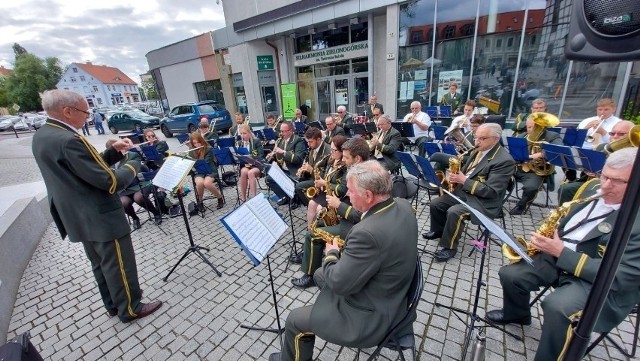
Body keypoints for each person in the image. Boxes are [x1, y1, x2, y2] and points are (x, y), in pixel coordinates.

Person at [486, 147, 639, 361]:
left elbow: (623, 277)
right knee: (510, 275)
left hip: (598, 280)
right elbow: (567, 221)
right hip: (559, 255)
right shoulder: (591, 186)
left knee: (558, 307)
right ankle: (518, 315)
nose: (605, 185)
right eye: (605, 175)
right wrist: (546, 238)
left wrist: (562, 252)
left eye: (617, 181)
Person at [32, 89, 162, 323]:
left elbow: (82, 168)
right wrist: (132, 161)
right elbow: (109, 181)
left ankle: (113, 304)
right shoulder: (68, 140)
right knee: (119, 264)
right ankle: (130, 308)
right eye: (85, 111)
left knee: (101, 264)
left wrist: (113, 152)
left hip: (78, 216)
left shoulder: (44, 135)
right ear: (67, 111)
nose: (88, 116)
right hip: (100, 215)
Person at [270, 160, 418, 361]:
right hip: (395, 293)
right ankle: (329, 309)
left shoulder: (367, 234)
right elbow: (369, 226)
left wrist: (331, 253)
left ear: (368, 195)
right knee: (321, 275)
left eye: (350, 191)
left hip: (374, 315)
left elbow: (340, 283)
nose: (347, 195)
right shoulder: (402, 204)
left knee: (295, 319)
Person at [422, 123, 515, 262]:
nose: (477, 142)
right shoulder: (480, 150)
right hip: (466, 192)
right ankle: (439, 230)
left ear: (496, 139)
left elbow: (491, 191)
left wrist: (464, 180)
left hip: (484, 202)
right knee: (436, 203)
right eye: (476, 137)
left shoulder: (504, 161)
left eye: (482, 138)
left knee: (454, 212)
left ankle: (449, 248)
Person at [290, 137, 369, 288]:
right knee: (318, 222)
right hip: (348, 218)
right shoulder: (360, 171)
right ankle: (310, 257)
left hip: (355, 228)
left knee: (312, 235)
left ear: (357, 158)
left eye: (346, 157)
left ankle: (310, 276)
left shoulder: (364, 179)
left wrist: (338, 205)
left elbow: (362, 216)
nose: (344, 161)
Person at [557, 120, 635, 205]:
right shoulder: (601, 147)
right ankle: (566, 215)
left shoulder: (634, 153)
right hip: (592, 181)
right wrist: (587, 168)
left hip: (617, 186)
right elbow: (586, 168)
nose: (615, 136)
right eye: (612, 133)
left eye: (621, 134)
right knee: (565, 189)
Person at [509, 116, 564, 215]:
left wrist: (542, 154)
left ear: (542, 127)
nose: (528, 130)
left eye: (531, 127)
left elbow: (558, 149)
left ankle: (522, 205)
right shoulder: (522, 136)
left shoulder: (552, 136)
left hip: (535, 172)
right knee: (498, 176)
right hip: (518, 167)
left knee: (531, 187)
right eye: (527, 127)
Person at [105, 139, 163, 229]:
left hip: (139, 185)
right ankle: (135, 218)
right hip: (123, 189)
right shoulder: (108, 162)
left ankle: (156, 213)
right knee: (123, 202)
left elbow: (141, 169)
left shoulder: (131, 155)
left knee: (138, 197)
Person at [304, 135, 347, 229]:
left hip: (335, 195)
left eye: (334, 150)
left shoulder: (344, 166)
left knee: (319, 208)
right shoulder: (330, 159)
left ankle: (321, 229)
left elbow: (342, 189)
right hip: (326, 191)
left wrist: (324, 183)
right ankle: (309, 229)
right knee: (311, 203)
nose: (331, 152)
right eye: (331, 149)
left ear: (342, 151)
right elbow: (322, 171)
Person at [265, 121, 306, 205]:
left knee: (291, 182)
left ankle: (295, 198)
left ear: (291, 130)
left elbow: (298, 159)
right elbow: (277, 157)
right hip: (282, 169)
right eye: (281, 131)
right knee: (268, 179)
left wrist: (283, 152)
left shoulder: (298, 140)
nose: (281, 133)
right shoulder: (280, 141)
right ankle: (285, 196)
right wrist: (272, 156)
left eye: (283, 131)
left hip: (293, 170)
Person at [294, 127, 331, 209]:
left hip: (321, 181)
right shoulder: (312, 148)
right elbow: (310, 164)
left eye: (310, 142)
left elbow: (327, 175)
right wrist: (303, 170)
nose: (308, 144)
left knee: (299, 186)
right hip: (312, 178)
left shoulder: (328, 151)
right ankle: (311, 206)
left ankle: (311, 207)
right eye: (307, 142)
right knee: (295, 181)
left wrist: (311, 170)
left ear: (318, 140)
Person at [189, 132, 225, 211]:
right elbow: (191, 164)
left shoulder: (208, 149)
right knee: (199, 183)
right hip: (199, 172)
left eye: (198, 142)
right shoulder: (191, 151)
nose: (197, 145)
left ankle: (219, 198)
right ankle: (200, 202)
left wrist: (200, 152)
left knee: (207, 183)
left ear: (201, 141)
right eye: (194, 143)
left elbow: (206, 162)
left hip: (210, 170)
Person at [237, 124, 264, 203]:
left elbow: (261, 156)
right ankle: (243, 197)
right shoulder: (240, 143)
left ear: (249, 133)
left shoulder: (256, 141)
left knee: (251, 173)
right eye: (241, 133)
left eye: (244, 133)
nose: (242, 135)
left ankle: (253, 197)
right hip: (246, 165)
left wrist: (252, 157)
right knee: (243, 171)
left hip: (257, 165)